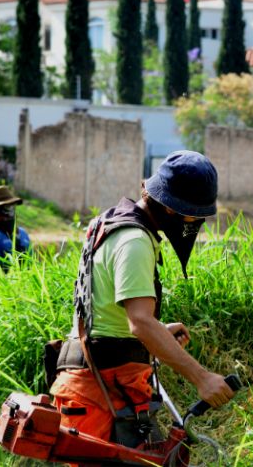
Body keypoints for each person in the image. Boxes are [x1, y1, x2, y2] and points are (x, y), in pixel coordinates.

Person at [49, 150, 235, 444]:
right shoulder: (135, 241)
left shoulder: (111, 221)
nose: (193, 223)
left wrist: (157, 331)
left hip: (96, 381)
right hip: (102, 390)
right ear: (172, 209)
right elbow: (140, 323)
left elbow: (110, 311)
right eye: (193, 215)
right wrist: (202, 378)